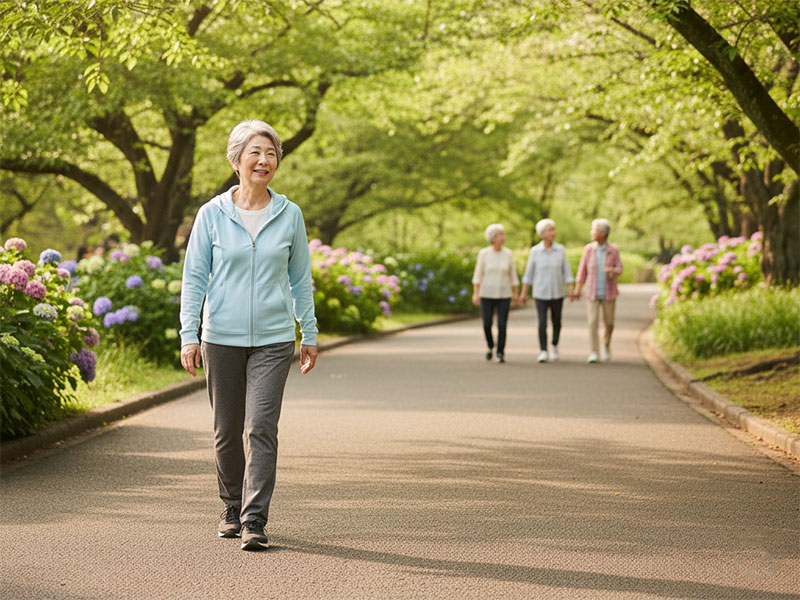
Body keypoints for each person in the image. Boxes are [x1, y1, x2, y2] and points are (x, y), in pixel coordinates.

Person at [179, 120, 318, 551]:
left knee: (261, 426)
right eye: (256, 152)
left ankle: (255, 519)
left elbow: (301, 280)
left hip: (274, 339)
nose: (264, 160)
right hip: (221, 335)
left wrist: (308, 332)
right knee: (226, 429)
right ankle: (231, 505)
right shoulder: (212, 214)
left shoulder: (289, 214)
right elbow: (194, 278)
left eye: (272, 153)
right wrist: (189, 333)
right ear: (237, 160)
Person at [519, 218, 574, 363]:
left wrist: (571, 289)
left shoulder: (560, 250)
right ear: (542, 234)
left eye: (554, 229)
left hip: (557, 292)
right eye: (550, 230)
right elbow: (528, 274)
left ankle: (554, 345)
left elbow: (566, 272)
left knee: (557, 321)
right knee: (542, 322)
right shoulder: (535, 251)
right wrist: (524, 293)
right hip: (540, 293)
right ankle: (543, 350)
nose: (553, 233)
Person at [574, 218, 623, 363]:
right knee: (592, 322)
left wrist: (613, 271)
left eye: (593, 230)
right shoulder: (588, 249)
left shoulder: (614, 250)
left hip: (609, 292)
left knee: (609, 323)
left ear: (602, 233)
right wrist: (578, 288)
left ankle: (606, 345)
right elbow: (582, 270)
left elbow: (620, 268)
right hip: (592, 292)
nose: (591, 232)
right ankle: (594, 351)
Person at [472, 223, 519, 363]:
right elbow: (478, 275)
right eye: (500, 234)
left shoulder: (508, 254)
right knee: (487, 323)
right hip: (486, 293)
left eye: (503, 234)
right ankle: (491, 345)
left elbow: (513, 275)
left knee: (502, 324)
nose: (503, 237)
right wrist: (476, 293)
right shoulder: (484, 254)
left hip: (504, 294)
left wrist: (516, 294)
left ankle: (500, 352)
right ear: (493, 237)